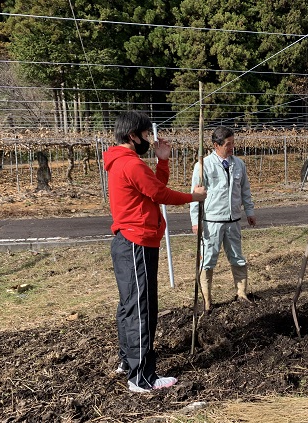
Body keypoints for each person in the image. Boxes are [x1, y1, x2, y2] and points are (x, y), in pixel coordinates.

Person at [103, 111, 207, 393]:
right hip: (137, 241)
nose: (149, 139)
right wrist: (193, 197)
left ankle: (128, 362)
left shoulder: (122, 162)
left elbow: (153, 189)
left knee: (129, 305)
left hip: (131, 241)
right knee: (141, 308)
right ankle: (142, 378)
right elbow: (161, 194)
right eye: (147, 135)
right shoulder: (130, 164)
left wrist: (163, 160)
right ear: (132, 135)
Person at [190, 126, 256, 313]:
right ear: (216, 145)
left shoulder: (239, 165)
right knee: (208, 260)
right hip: (212, 223)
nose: (232, 147)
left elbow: (245, 190)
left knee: (237, 258)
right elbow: (195, 195)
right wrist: (196, 221)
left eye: (233, 143)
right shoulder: (203, 166)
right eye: (228, 144)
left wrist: (249, 211)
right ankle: (207, 301)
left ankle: (241, 293)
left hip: (233, 221)